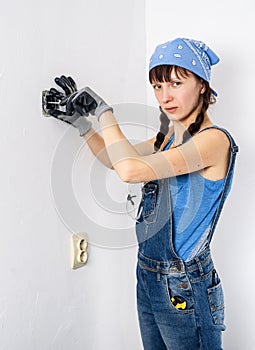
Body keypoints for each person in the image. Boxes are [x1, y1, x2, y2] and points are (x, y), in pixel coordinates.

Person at [45, 37, 238, 349]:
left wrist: (104, 112)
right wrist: (82, 124)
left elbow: (131, 171)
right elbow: (115, 160)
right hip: (149, 276)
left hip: (184, 282)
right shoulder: (168, 139)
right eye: (158, 86)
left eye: (176, 82)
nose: (165, 96)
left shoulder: (213, 142)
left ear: (202, 84)